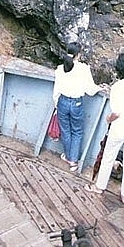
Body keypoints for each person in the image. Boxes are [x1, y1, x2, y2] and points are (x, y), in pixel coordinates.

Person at [84, 51, 124, 205]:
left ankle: (99, 187)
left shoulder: (118, 87)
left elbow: (116, 113)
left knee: (108, 157)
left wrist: (108, 119)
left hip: (120, 127)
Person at [53, 43, 106, 172]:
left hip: (62, 102)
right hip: (76, 103)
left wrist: (56, 105)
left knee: (65, 130)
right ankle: (73, 161)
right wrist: (101, 87)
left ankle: (68, 156)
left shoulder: (60, 68)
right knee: (77, 131)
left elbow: (56, 90)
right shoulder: (83, 69)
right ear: (78, 55)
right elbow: (90, 90)